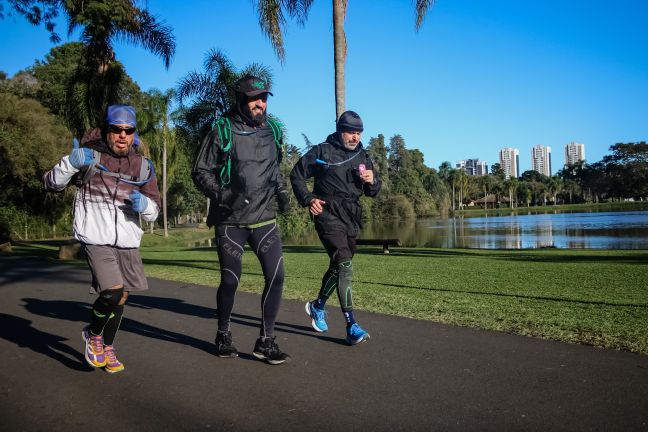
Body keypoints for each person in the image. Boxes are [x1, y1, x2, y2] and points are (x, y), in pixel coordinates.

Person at [44, 105, 161, 373]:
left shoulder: (143, 167)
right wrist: (70, 164)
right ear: (107, 130)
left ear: (134, 134)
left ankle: (108, 346)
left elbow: (155, 211)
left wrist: (144, 205)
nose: (122, 135)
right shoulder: (88, 157)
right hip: (95, 235)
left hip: (128, 241)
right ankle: (93, 334)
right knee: (111, 292)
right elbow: (51, 183)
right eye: (116, 129)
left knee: (120, 299)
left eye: (128, 130)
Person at [192, 75, 291, 365]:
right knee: (230, 280)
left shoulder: (272, 130)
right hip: (231, 221)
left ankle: (266, 341)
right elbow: (200, 171)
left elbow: (274, 170)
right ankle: (223, 334)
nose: (259, 103)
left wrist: (283, 192)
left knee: (277, 276)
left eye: (263, 98)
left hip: (264, 219)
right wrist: (223, 195)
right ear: (240, 100)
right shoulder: (221, 129)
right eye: (253, 98)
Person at [290, 110, 381, 345]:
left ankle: (317, 306)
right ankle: (352, 324)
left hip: (351, 216)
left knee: (339, 265)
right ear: (340, 130)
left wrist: (373, 181)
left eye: (359, 133)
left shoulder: (363, 155)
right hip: (327, 213)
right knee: (345, 265)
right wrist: (309, 199)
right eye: (351, 132)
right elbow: (297, 176)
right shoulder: (321, 152)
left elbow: (372, 192)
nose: (355, 137)